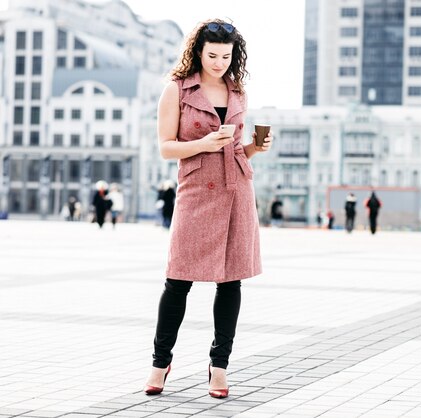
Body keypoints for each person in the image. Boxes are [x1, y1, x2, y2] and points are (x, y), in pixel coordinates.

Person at [144, 19, 273, 399]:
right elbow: (166, 148)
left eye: (226, 56)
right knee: (177, 281)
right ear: (198, 51)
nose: (219, 62)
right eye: (212, 54)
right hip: (197, 192)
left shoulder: (237, 91)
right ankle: (160, 361)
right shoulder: (177, 89)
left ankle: (219, 366)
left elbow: (232, 149)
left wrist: (252, 149)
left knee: (230, 281)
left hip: (236, 191)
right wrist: (205, 143)